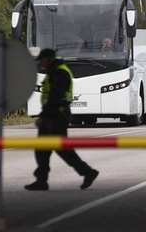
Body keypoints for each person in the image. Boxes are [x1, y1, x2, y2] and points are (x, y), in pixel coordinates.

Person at [25, 48, 99, 191]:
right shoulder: (53, 71)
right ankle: (42, 180)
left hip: (57, 115)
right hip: (53, 115)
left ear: (49, 59)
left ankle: (87, 172)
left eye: (43, 60)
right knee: (44, 149)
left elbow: (55, 97)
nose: (41, 63)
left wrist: (43, 116)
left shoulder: (60, 73)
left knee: (60, 149)